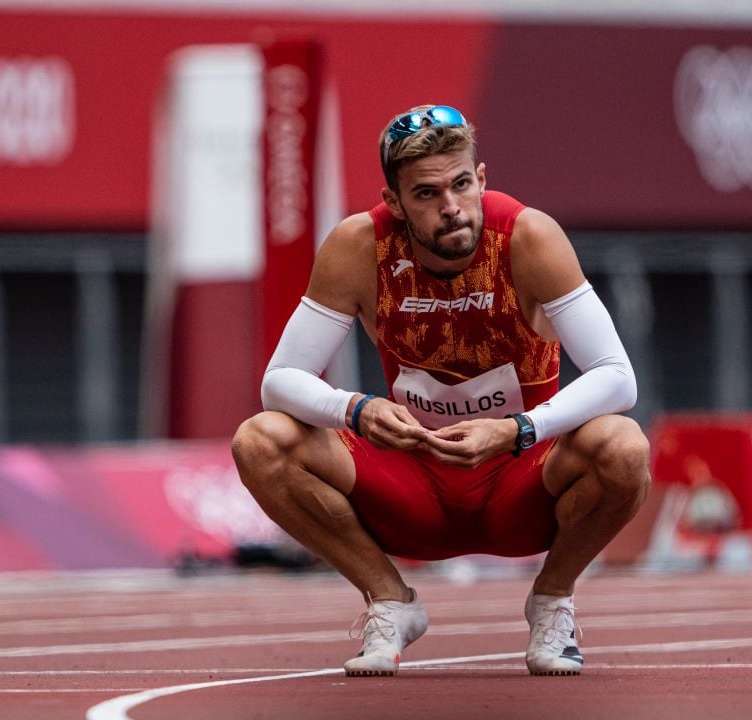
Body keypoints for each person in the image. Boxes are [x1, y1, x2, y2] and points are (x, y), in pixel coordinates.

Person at [232, 104, 650, 677]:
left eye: (461, 185)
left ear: (481, 179)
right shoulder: (359, 247)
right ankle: (389, 601)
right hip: (413, 483)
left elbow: (617, 375)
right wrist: (355, 409)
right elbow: (278, 382)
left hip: (524, 482)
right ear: (395, 202)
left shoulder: (529, 237)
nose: (451, 208)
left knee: (624, 447)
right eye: (426, 194)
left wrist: (518, 429)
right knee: (260, 440)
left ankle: (553, 600)